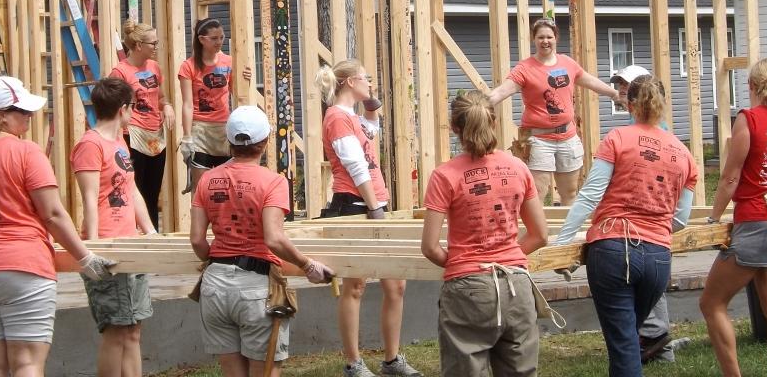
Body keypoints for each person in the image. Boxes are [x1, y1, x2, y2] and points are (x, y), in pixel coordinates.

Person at [0, 76, 114, 377]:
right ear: (0, 116)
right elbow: (52, 214)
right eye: (22, 112)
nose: (29, 117)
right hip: (21, 267)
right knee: (27, 364)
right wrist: (85, 258)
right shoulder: (26, 152)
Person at [553, 74, 697, 377]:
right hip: (658, 257)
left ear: (629, 105)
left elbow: (590, 195)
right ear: (664, 105)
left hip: (613, 250)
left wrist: (562, 242)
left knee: (624, 346)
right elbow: (680, 219)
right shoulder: (684, 155)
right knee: (627, 340)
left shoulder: (617, 138)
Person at [190, 106, 335, 377]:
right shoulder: (272, 182)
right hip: (254, 289)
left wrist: (219, 260)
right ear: (265, 142)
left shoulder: (207, 180)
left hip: (214, 287)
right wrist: (307, 266)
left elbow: (197, 240)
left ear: (230, 142)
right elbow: (274, 238)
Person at [421, 90, 548, 377]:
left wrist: (464, 264)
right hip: (516, 285)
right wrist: (508, 258)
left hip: (468, 290)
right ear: (493, 121)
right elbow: (540, 234)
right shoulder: (518, 167)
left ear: (455, 128)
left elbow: (430, 247)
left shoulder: (445, 175)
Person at [698, 58, 767, 377]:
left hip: (759, 221)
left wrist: (714, 218)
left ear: (750, 86)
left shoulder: (748, 119)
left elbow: (730, 178)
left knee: (711, 303)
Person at [315, 59, 422, 377]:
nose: (370, 83)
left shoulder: (352, 116)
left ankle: (391, 360)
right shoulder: (335, 117)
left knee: (396, 283)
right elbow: (354, 164)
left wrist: (371, 101)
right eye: (366, 79)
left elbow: (371, 130)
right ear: (349, 82)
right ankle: (354, 362)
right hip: (355, 203)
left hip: (375, 201)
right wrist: (373, 206)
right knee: (356, 284)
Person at [71, 78, 158, 377]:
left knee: (134, 329)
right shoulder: (89, 145)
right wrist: (92, 249)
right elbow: (90, 200)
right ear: (122, 109)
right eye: (132, 107)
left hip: (130, 245)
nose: (133, 112)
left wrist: (149, 231)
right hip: (108, 248)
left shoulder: (120, 141)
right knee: (116, 331)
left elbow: (131, 190)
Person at [488, 18, 620, 206]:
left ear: (556, 38)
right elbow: (502, 91)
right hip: (539, 140)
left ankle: (567, 235)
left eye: (549, 37)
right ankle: (539, 235)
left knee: (570, 192)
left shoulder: (567, 63)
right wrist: (481, 104)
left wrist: (614, 93)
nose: (545, 41)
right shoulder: (525, 68)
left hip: (568, 138)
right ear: (534, 39)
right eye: (540, 37)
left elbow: (590, 81)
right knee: (538, 194)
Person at [610, 64, 678, 364]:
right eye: (619, 86)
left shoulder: (653, 132)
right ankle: (655, 345)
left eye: (626, 87)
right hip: (649, 226)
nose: (621, 92)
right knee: (650, 285)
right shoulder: (633, 125)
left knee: (650, 287)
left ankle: (658, 343)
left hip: (646, 225)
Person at [111, 20, 175, 231]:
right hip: (133, 135)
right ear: (138, 45)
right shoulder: (120, 72)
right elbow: (114, 110)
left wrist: (167, 107)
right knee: (134, 189)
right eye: (152, 43)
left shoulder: (154, 67)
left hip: (155, 136)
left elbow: (162, 98)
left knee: (152, 192)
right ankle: (134, 233)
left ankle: (152, 234)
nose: (156, 47)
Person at [179, 18, 234, 195]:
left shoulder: (228, 62)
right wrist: (187, 136)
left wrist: (244, 75)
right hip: (200, 128)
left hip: (223, 128)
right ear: (202, 39)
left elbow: (236, 92)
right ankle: (198, 222)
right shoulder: (189, 67)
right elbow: (187, 104)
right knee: (201, 186)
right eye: (214, 38)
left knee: (225, 184)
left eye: (221, 37)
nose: (219, 42)